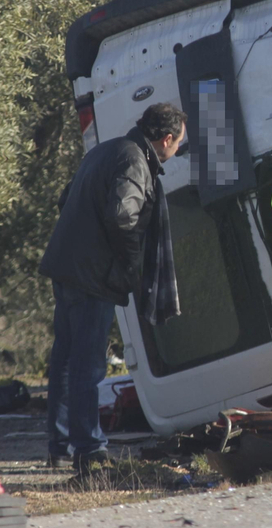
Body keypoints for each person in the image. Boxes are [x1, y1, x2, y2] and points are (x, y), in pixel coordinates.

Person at [37, 102, 186, 472]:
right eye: (179, 142)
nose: (179, 149)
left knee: (66, 362)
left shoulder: (107, 149)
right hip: (93, 278)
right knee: (88, 366)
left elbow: (63, 198)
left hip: (68, 269)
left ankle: (60, 447)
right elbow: (123, 215)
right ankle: (90, 450)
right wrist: (130, 263)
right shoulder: (135, 160)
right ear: (166, 139)